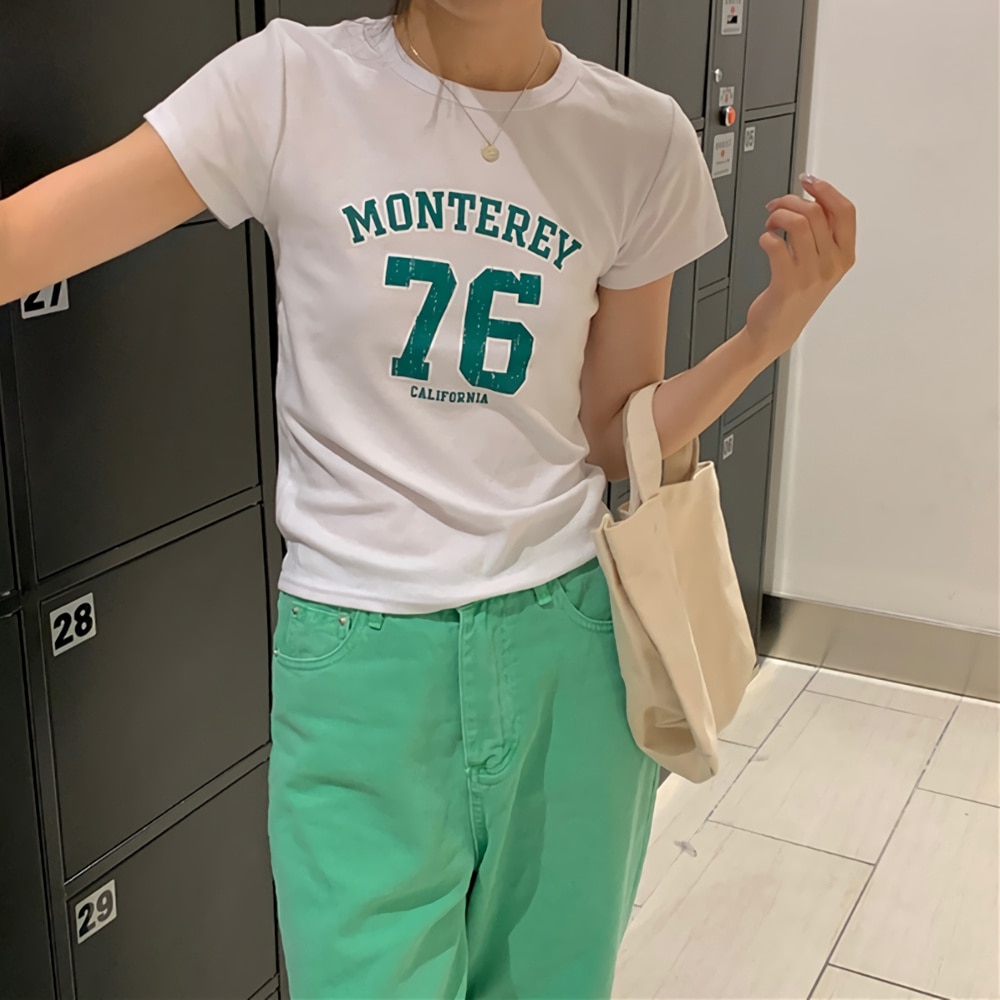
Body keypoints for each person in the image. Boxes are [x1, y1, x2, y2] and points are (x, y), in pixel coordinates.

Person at [0, 1, 856, 996]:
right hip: (362, 663)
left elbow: (609, 431)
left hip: (570, 652)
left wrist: (762, 338)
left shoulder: (640, 136)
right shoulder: (289, 84)